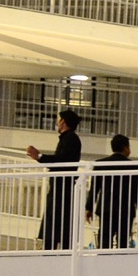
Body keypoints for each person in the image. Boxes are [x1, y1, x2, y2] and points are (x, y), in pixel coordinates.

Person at [31, 107, 82, 249]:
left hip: (61, 190)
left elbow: (62, 160)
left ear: (63, 122)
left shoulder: (70, 139)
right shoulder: (70, 139)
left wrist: (40, 157)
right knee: (59, 227)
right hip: (61, 189)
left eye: (59, 120)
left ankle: (52, 255)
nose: (57, 123)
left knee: (56, 226)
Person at [89, 133, 138, 249]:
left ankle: (103, 260)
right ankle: (119, 263)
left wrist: (89, 207)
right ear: (125, 148)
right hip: (125, 209)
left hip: (106, 207)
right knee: (123, 240)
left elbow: (94, 188)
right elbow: (137, 190)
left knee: (104, 237)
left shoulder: (100, 164)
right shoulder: (133, 166)